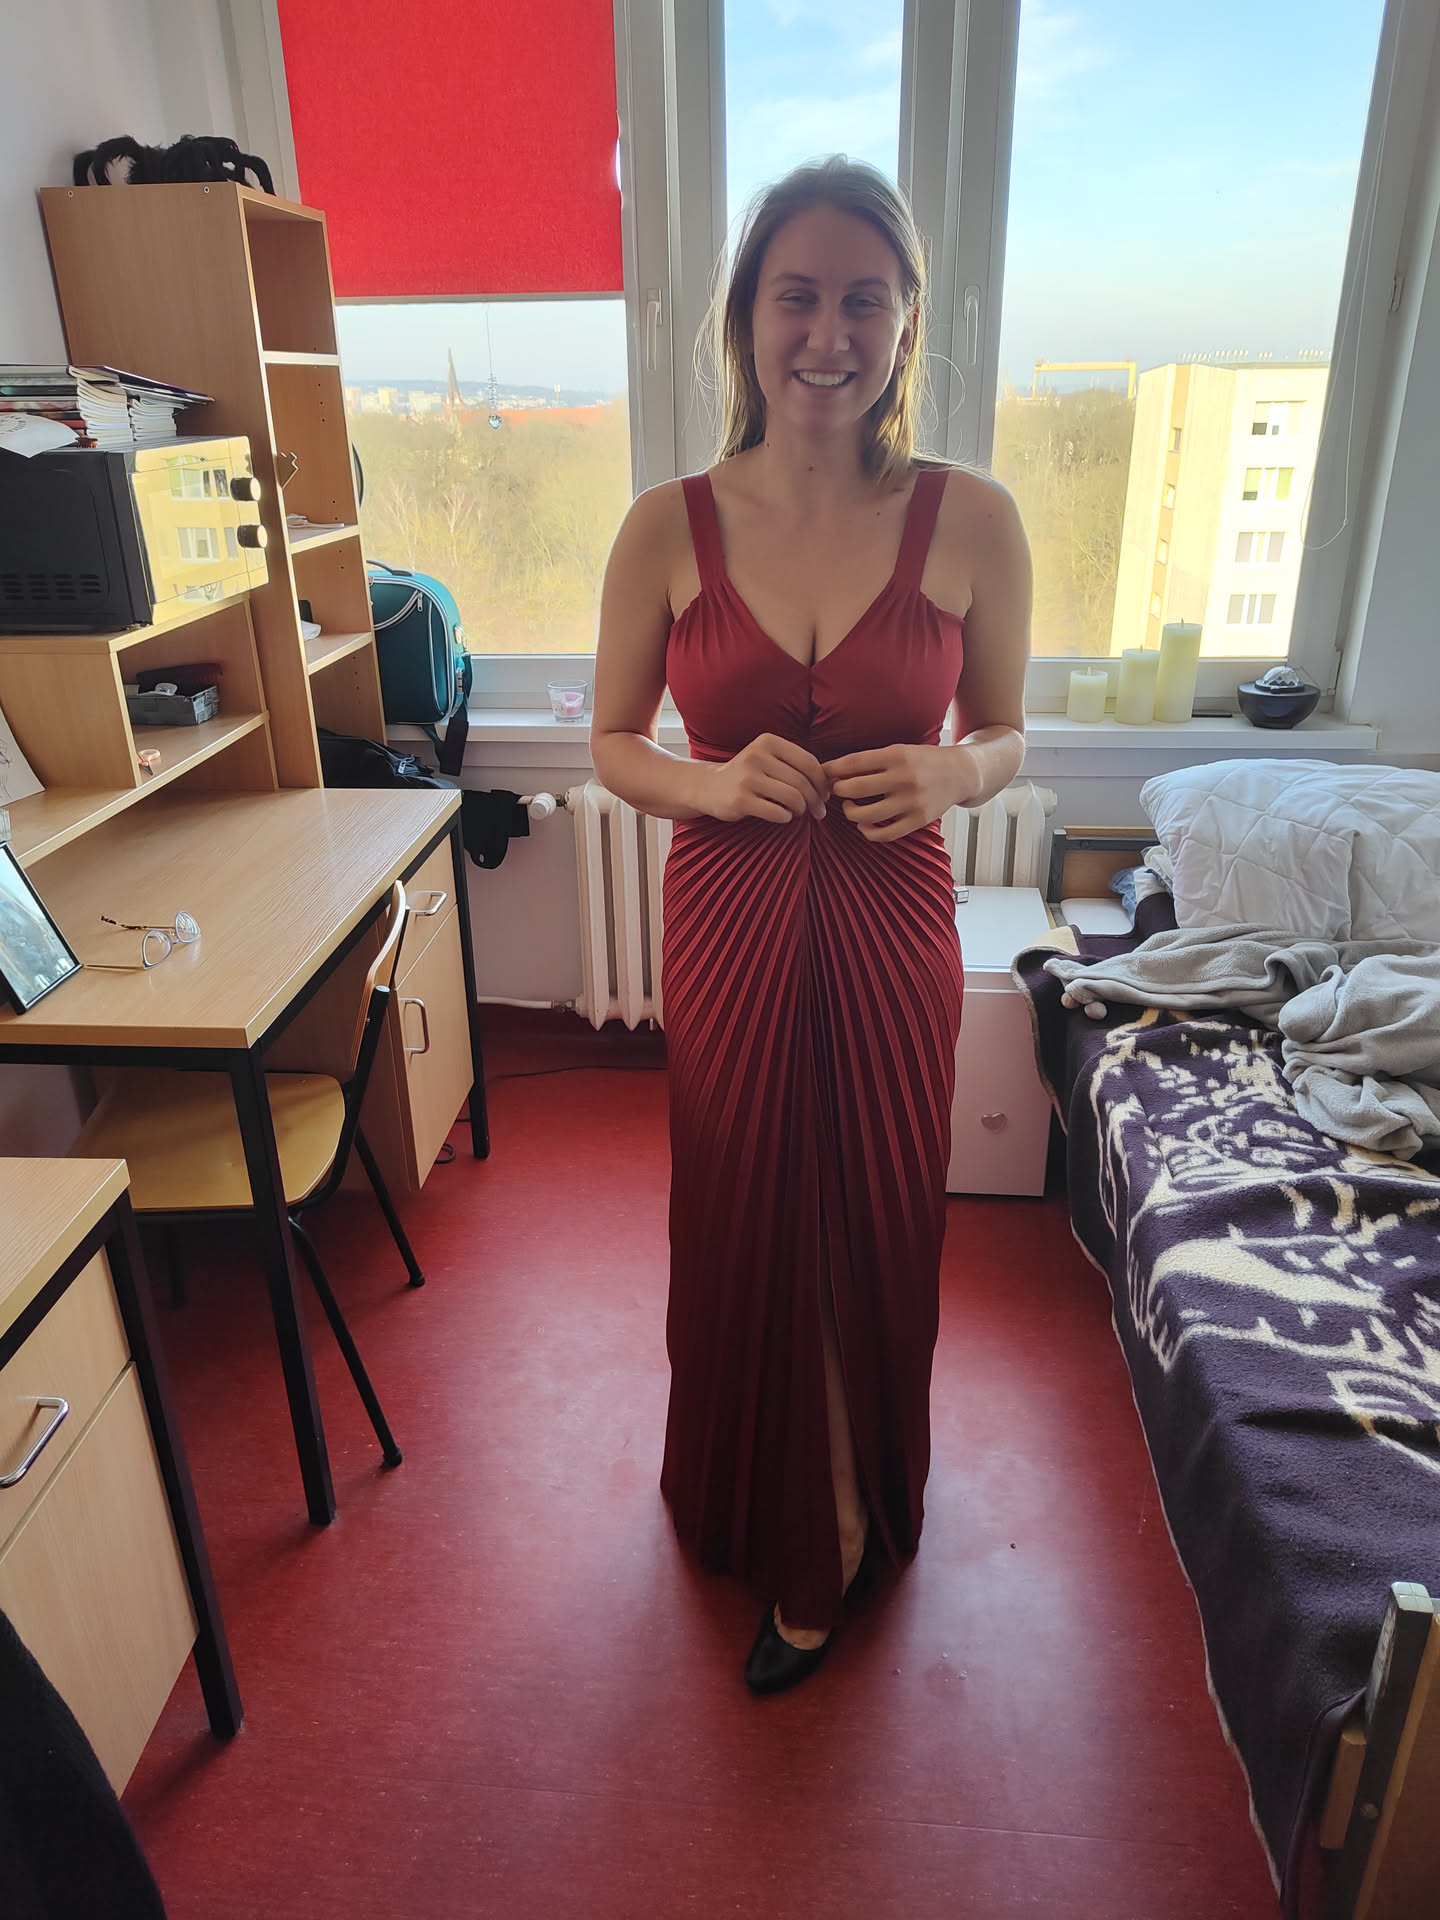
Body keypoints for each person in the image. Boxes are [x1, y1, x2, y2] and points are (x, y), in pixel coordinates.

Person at [590, 155, 1030, 1694]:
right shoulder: (664, 526)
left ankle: (837, 1519)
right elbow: (612, 743)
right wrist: (712, 789)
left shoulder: (975, 519)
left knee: (874, 1207)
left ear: (906, 322)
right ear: (745, 320)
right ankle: (749, 1490)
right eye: (797, 296)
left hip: (896, 920)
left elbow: (1008, 731)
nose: (828, 334)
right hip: (727, 918)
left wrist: (955, 769)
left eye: (864, 300)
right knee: (742, 1202)